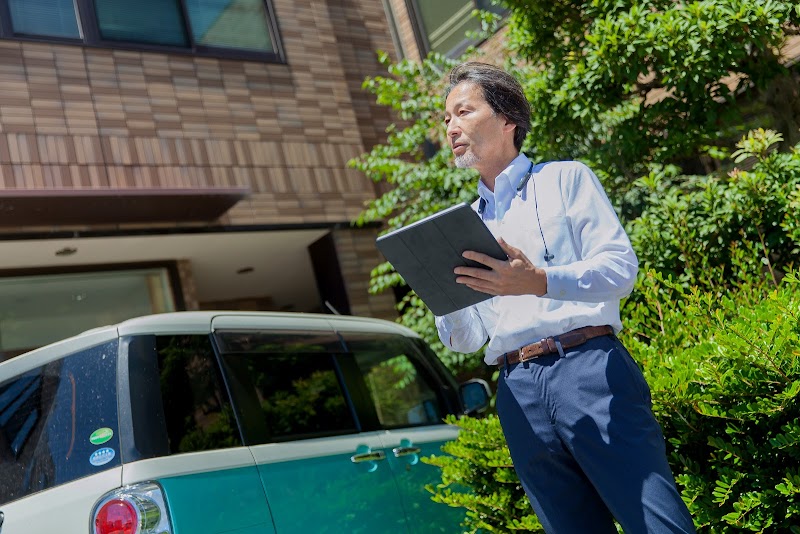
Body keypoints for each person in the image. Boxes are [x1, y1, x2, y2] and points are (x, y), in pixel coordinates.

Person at [437, 61, 695, 533]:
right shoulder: (463, 225)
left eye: (463, 111)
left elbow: (619, 270)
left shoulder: (565, 180)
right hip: (516, 389)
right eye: (445, 118)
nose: (450, 126)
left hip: (588, 368)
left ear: (507, 118)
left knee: (657, 524)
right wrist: (442, 293)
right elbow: (466, 340)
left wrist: (539, 280)